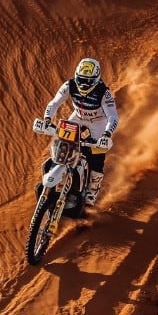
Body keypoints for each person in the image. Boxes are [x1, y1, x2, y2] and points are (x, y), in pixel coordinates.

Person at [42, 57, 120, 205]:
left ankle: (92, 190)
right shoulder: (69, 85)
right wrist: (47, 119)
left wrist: (106, 134)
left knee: (97, 154)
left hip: (98, 122)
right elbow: (54, 103)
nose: (83, 84)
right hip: (78, 117)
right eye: (81, 79)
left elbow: (113, 117)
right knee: (62, 143)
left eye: (88, 81)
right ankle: (58, 172)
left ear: (96, 79)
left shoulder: (104, 92)